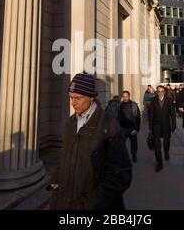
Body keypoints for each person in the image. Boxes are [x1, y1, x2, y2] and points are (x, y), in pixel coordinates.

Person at [49, 73, 132, 210]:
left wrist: (93, 204)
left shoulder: (109, 126)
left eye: (78, 98)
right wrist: (56, 180)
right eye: (71, 98)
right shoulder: (70, 123)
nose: (73, 102)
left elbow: (121, 174)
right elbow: (64, 157)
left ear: (91, 97)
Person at [149, 85, 177, 173]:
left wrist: (174, 124)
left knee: (166, 141)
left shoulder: (169, 100)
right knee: (157, 144)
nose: (160, 93)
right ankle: (159, 164)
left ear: (164, 92)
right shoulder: (153, 100)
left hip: (166, 124)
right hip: (156, 125)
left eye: (162, 91)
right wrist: (151, 127)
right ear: (156, 92)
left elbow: (172, 113)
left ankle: (166, 152)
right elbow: (151, 114)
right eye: (158, 91)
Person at [118, 91, 141, 163]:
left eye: (126, 96)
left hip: (132, 128)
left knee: (134, 144)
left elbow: (138, 118)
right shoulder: (119, 105)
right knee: (121, 144)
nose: (125, 98)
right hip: (123, 128)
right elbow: (116, 117)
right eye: (123, 96)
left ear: (129, 96)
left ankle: (134, 155)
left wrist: (136, 129)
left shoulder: (134, 105)